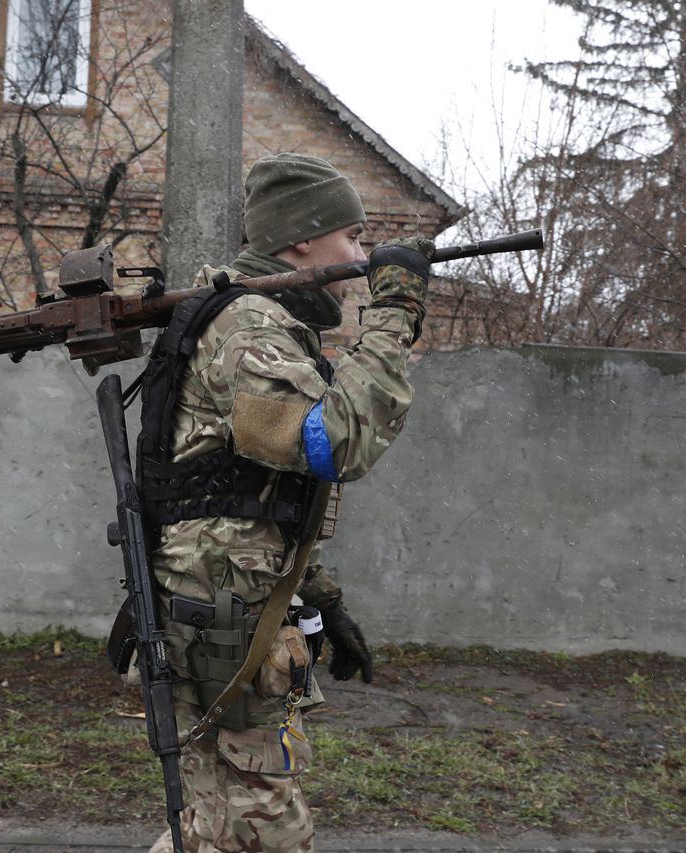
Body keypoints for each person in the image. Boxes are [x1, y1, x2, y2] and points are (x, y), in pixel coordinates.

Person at [143, 153, 433, 853]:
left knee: (211, 820)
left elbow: (251, 499)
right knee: (263, 827)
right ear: (302, 238)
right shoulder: (249, 328)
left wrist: (323, 598)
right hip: (225, 618)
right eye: (354, 238)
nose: (361, 257)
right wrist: (394, 313)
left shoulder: (251, 322)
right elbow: (333, 441)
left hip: (219, 604)